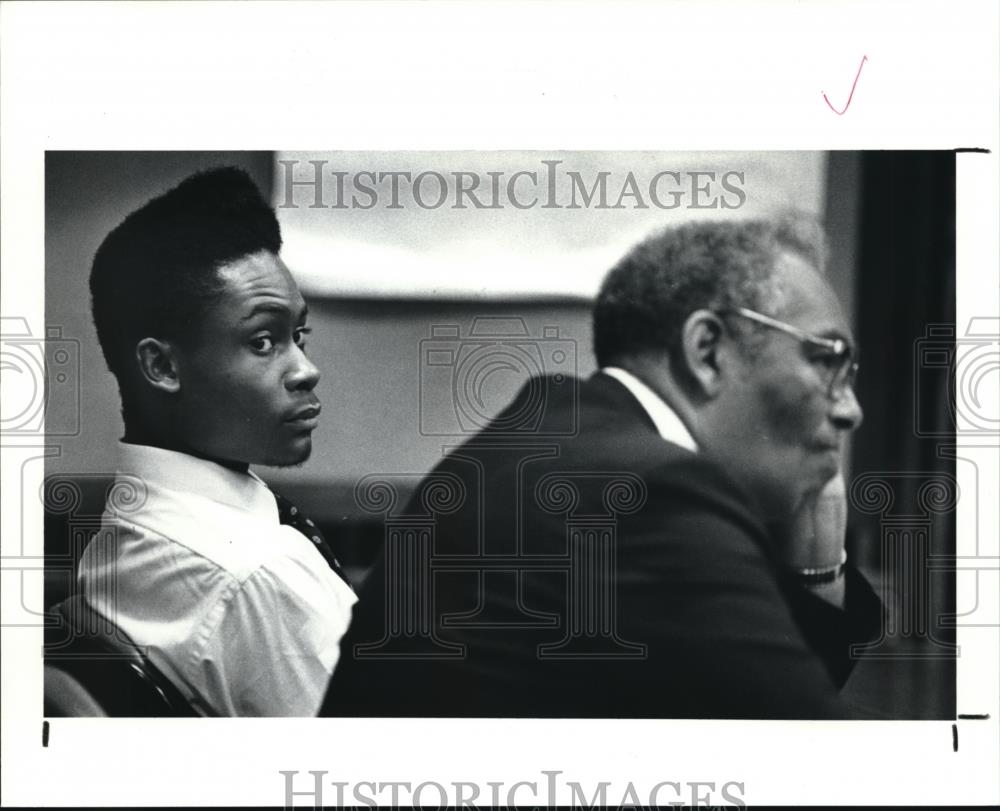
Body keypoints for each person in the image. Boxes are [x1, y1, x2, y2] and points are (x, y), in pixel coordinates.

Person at [322, 215, 882, 719]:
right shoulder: (648, 493)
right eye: (827, 359)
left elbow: (736, 710)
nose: (850, 409)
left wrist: (816, 567)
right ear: (708, 351)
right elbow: (809, 752)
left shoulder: (554, 442)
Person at [77, 167, 356, 716]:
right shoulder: (257, 573)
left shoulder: (126, 530)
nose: (306, 370)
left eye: (298, 336)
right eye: (262, 340)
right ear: (161, 365)